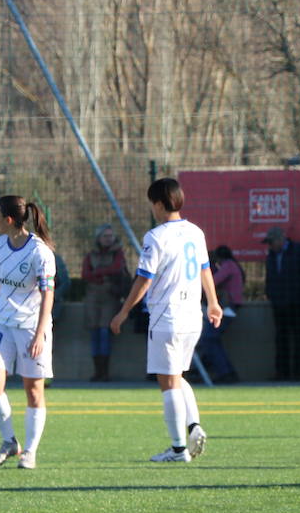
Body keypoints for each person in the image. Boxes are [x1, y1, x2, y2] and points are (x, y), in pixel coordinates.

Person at [110, 178, 221, 461]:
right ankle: (193, 426)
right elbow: (205, 270)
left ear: (158, 204)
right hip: (192, 316)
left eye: (152, 204)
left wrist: (123, 311)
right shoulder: (195, 232)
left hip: (166, 316)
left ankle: (178, 449)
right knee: (177, 376)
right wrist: (214, 303)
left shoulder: (155, 237)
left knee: (166, 381)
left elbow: (144, 279)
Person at [0, 195, 56, 470]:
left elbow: (48, 295)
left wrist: (40, 333)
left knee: (33, 392)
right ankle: (10, 441)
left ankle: (30, 451)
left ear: (9, 220)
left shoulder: (40, 252)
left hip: (32, 327)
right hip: (3, 325)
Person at [263, 226, 300, 381]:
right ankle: (282, 372)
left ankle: (299, 372)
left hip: (298, 303)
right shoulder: (271, 255)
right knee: (281, 339)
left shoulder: (299, 251)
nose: (270, 246)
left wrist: (299, 291)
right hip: (279, 304)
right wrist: (272, 295)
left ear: (280, 240)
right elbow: (270, 278)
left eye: (271, 242)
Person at [82, 225, 128, 382]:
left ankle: (105, 372)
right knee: (94, 332)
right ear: (98, 238)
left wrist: (99, 273)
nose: (109, 239)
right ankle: (97, 371)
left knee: (104, 332)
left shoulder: (118, 253)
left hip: (109, 296)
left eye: (111, 236)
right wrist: (100, 274)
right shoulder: (91, 255)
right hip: (93, 297)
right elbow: (85, 274)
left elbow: (116, 269)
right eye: (105, 236)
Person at [197, 245, 243, 384]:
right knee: (212, 339)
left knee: (209, 339)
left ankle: (224, 372)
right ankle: (226, 371)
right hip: (229, 307)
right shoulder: (234, 265)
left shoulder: (228, 265)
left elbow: (213, 280)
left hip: (228, 308)